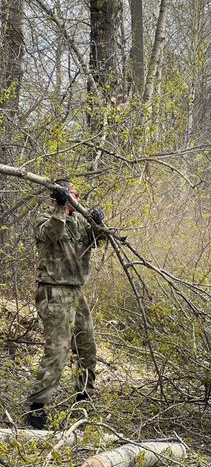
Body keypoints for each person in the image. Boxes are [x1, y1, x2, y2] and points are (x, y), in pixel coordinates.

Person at [27, 178, 105, 429]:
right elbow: (52, 234)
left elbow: (94, 242)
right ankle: (37, 408)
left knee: (87, 348)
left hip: (76, 292)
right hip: (53, 291)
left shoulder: (80, 220)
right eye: (70, 195)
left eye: (77, 195)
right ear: (59, 197)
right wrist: (60, 209)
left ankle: (83, 399)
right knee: (57, 351)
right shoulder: (44, 218)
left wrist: (97, 223)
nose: (76, 199)